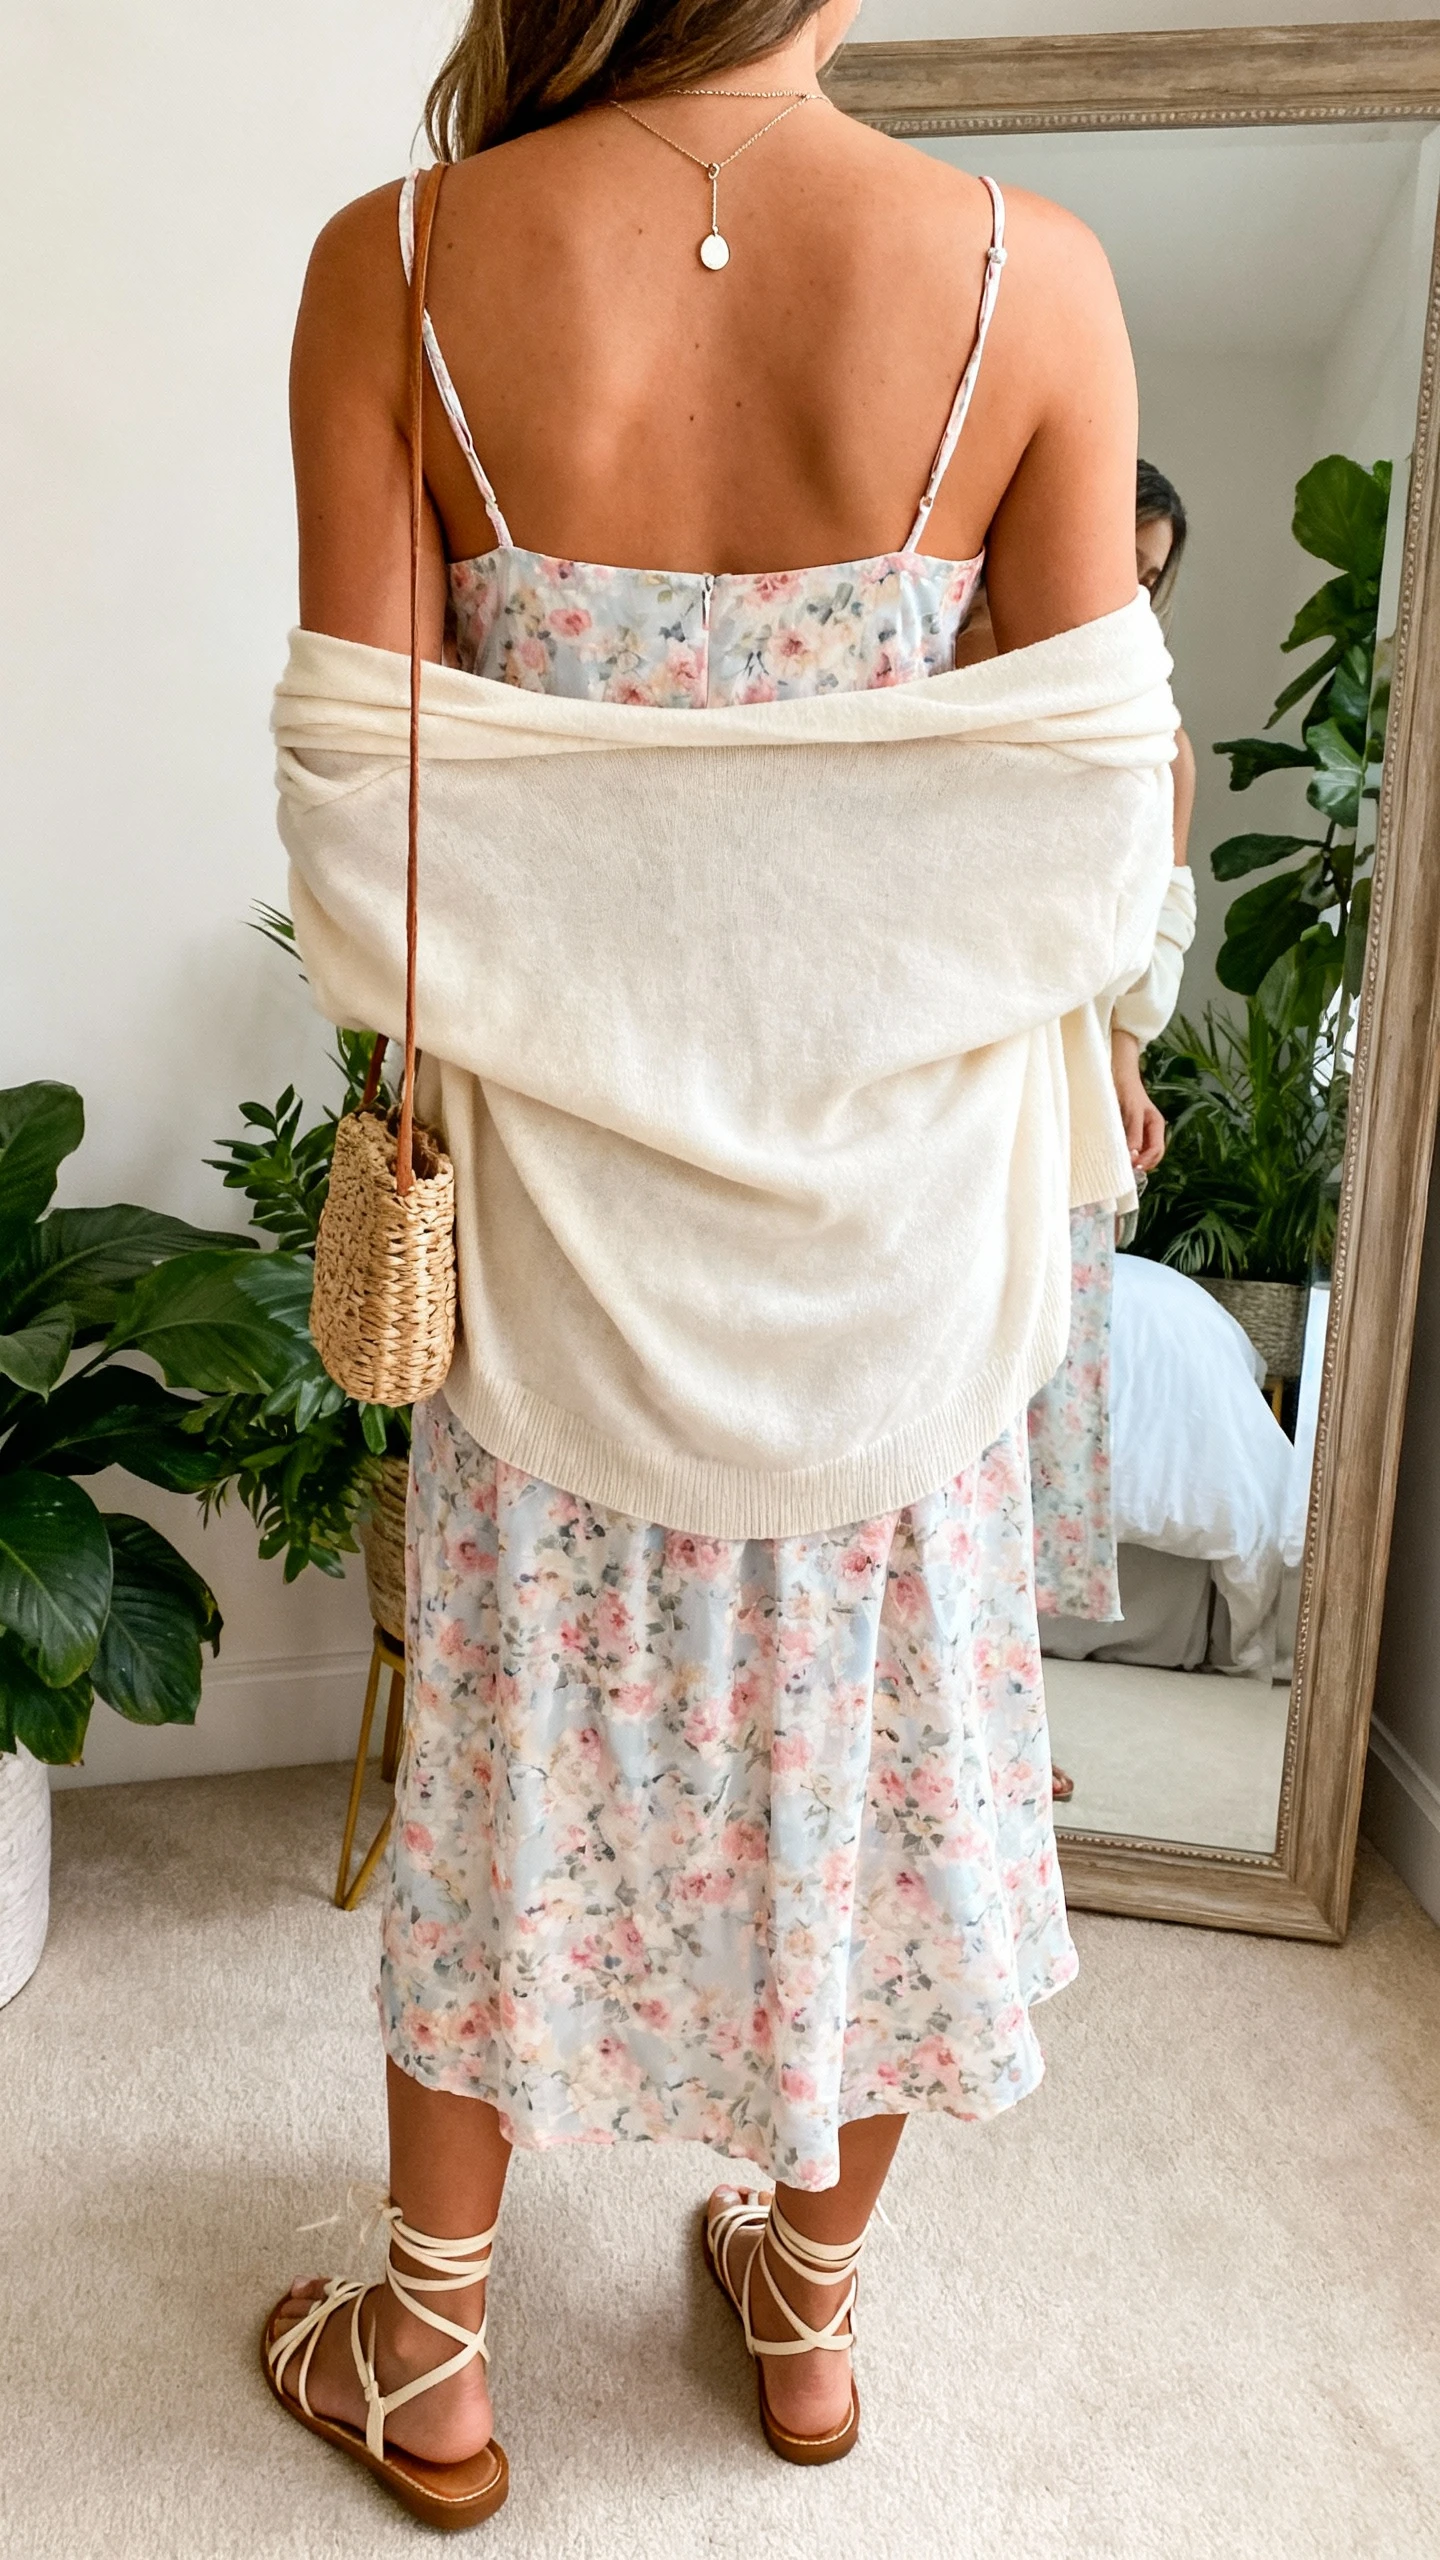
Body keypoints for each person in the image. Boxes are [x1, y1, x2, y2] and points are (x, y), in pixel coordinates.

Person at [264, 0, 1168, 2521]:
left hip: (565, 1220)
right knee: (881, 1758)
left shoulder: (400, 266)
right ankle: (803, 2299)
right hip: (904, 1232)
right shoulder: (1032, 277)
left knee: (506, 1758)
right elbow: (1100, 826)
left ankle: (430, 2357)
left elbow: (372, 825)